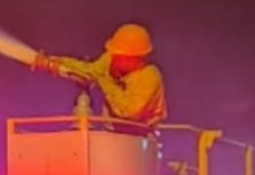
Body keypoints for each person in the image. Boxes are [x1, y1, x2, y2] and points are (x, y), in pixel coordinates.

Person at [31, 23, 168, 126]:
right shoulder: (111, 59)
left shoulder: (150, 77)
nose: (112, 58)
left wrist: (104, 80)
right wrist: (56, 62)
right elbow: (89, 71)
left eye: (119, 56)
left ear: (135, 58)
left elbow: (128, 112)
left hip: (139, 139)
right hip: (112, 134)